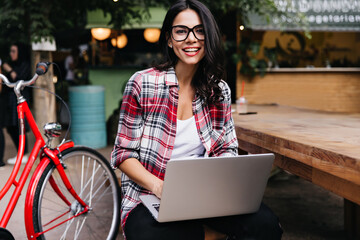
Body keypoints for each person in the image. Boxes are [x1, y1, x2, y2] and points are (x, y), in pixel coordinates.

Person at [111, 0, 283, 239]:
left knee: (267, 224)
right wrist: (160, 186)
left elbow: (226, 147)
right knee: (154, 235)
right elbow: (123, 154)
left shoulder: (218, 90)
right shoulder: (142, 84)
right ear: (169, 39)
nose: (191, 38)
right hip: (149, 193)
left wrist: (219, 182)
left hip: (206, 195)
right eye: (181, 31)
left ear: (209, 38)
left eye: (200, 30)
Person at [1, 44, 31, 164]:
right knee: (10, 127)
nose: (11, 54)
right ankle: (21, 152)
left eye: (14, 51)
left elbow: (18, 78)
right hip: (10, 100)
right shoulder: (10, 64)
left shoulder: (24, 65)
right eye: (10, 51)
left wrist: (10, 70)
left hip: (20, 98)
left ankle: (24, 153)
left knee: (20, 125)